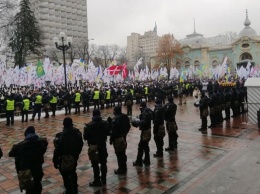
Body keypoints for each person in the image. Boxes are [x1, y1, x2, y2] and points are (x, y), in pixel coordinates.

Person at [9, 126, 48, 194]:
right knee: (37, 184)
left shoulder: (21, 146)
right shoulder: (41, 143)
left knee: (29, 188)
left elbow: (11, 153)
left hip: (27, 170)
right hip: (38, 168)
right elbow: (44, 146)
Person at [53, 117, 83, 194]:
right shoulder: (77, 132)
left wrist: (55, 160)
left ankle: (69, 190)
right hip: (74, 156)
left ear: (64, 124)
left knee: (65, 173)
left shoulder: (61, 135)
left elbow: (57, 149)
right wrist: (77, 153)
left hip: (64, 157)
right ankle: (75, 187)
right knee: (73, 171)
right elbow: (81, 144)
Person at [84, 109, 110, 186]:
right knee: (103, 163)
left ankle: (97, 180)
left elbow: (85, 137)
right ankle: (104, 179)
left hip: (93, 146)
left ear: (93, 115)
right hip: (102, 145)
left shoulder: (89, 125)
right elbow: (108, 133)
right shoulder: (104, 123)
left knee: (95, 164)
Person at [109, 106, 130, 174]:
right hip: (123, 136)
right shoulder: (125, 116)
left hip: (117, 139)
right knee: (123, 152)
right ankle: (124, 167)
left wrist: (111, 140)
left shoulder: (115, 119)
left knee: (119, 154)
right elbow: (128, 126)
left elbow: (113, 131)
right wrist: (125, 133)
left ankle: (121, 169)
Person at [132, 102, 153, 167]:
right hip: (147, 130)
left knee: (141, 146)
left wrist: (137, 123)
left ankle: (139, 161)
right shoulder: (148, 111)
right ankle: (147, 160)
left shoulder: (144, 113)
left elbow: (144, 121)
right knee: (145, 146)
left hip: (145, 131)